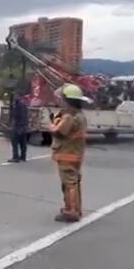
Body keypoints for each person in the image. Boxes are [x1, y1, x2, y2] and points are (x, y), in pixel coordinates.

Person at [50, 84, 91, 223]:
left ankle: (71, 211)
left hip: (67, 154)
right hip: (75, 153)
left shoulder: (68, 117)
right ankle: (75, 208)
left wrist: (54, 121)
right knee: (73, 182)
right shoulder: (80, 115)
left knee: (69, 183)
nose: (61, 101)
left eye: (62, 99)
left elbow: (58, 131)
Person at [8, 92, 29, 163]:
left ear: (19, 96)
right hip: (23, 126)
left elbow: (22, 116)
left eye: (15, 96)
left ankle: (15, 157)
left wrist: (20, 127)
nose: (14, 97)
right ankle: (23, 157)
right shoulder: (21, 104)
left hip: (19, 126)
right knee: (23, 143)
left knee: (15, 142)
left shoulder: (19, 105)